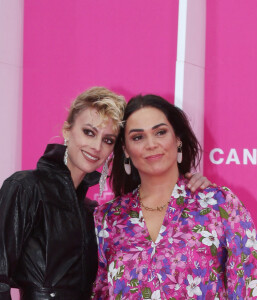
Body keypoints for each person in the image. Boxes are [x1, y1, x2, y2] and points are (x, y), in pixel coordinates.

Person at [0, 87, 212, 300]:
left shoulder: (95, 213)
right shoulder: (26, 188)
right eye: (89, 132)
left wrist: (189, 185)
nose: (96, 146)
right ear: (67, 131)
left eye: (108, 140)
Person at [92, 94, 257, 299]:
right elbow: (99, 293)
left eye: (160, 132)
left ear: (177, 139)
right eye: (138, 137)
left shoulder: (220, 205)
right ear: (126, 150)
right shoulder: (108, 218)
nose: (151, 144)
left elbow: (249, 288)